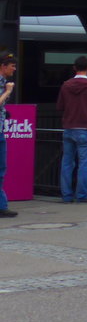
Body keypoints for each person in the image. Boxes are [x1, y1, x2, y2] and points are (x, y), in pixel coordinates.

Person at [57, 55, 87, 204]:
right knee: (84, 164)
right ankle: (82, 195)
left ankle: (66, 195)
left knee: (67, 163)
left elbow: (60, 106)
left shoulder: (65, 85)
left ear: (74, 68)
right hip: (86, 128)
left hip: (69, 128)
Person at [0, 54, 18, 218]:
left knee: (1, 168)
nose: (14, 69)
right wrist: (8, 91)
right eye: (12, 66)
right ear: (3, 66)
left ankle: (2, 206)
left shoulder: (4, 82)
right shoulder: (5, 85)